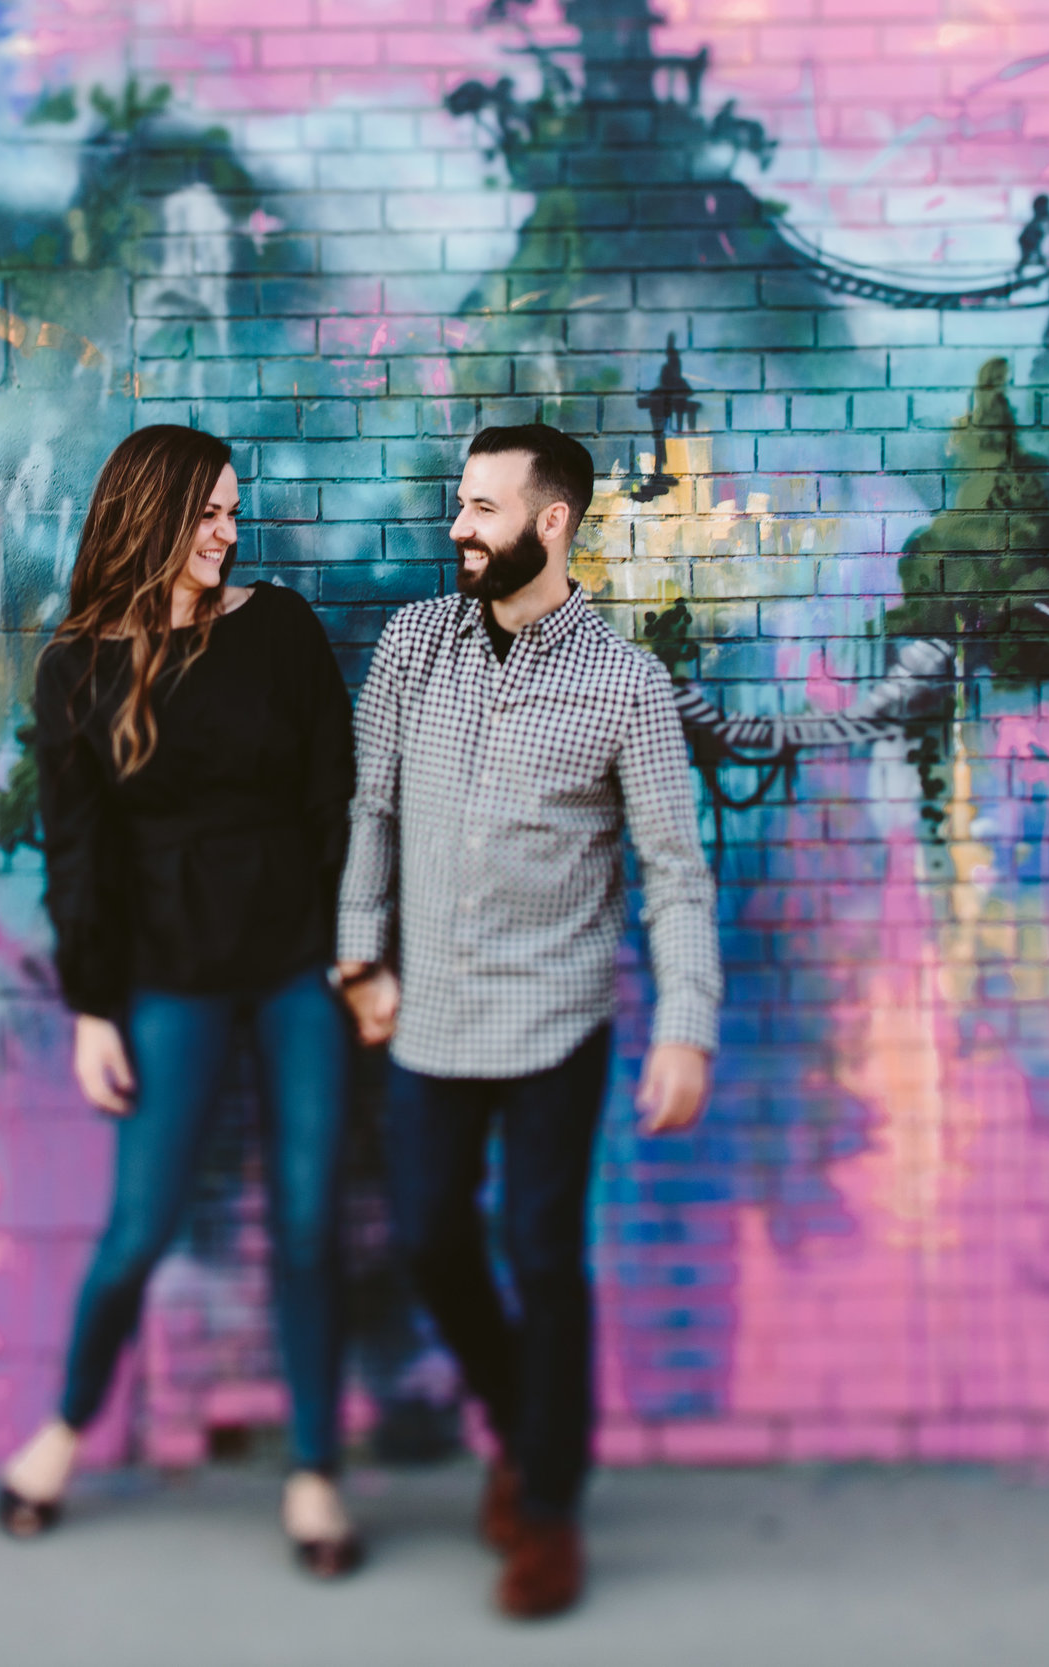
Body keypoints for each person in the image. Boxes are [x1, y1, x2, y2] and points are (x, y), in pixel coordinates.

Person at [335, 423, 722, 1618]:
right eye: (461, 501)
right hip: (430, 1012)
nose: (460, 525)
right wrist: (359, 955)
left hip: (557, 1016)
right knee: (429, 1240)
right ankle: (520, 1421)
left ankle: (546, 1508)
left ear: (549, 523)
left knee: (544, 1256)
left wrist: (685, 1023)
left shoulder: (625, 683)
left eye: (484, 507)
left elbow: (674, 868)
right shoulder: (411, 646)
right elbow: (372, 809)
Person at [0, 424, 364, 1578]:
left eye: (232, 511)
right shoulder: (78, 664)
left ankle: (313, 1470)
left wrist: (360, 951)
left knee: (309, 1219)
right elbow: (77, 856)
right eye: (207, 511)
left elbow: (335, 798)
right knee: (139, 1226)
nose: (227, 530)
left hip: (299, 961)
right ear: (149, 515)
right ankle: (60, 1433)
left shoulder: (281, 629)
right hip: (165, 976)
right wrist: (94, 1007)